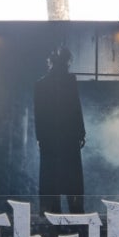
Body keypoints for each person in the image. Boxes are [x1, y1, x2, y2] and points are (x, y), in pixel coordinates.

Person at [34, 46, 86, 214]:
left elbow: (39, 114)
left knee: (50, 180)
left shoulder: (41, 84)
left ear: (51, 62)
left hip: (50, 139)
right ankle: (76, 216)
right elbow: (75, 108)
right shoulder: (70, 81)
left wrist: (40, 138)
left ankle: (51, 215)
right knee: (73, 180)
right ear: (66, 62)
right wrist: (81, 132)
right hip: (69, 138)